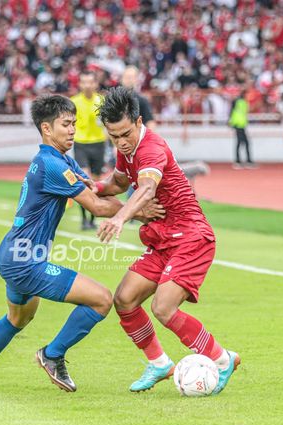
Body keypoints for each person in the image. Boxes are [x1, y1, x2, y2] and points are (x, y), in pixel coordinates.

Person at [0, 95, 160, 392]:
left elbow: (95, 191)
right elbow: (97, 206)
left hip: (14, 254)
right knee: (102, 299)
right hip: (25, 260)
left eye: (74, 123)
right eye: (66, 124)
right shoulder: (52, 164)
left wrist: (128, 186)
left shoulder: (59, 160)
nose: (72, 130)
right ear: (46, 129)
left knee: (18, 317)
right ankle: (52, 355)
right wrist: (141, 212)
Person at [90, 87, 240, 394]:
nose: (121, 142)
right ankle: (158, 363)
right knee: (125, 300)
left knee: (163, 307)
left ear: (139, 120)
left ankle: (223, 360)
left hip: (190, 237)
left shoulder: (151, 148)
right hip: (161, 239)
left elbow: (145, 188)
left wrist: (120, 217)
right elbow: (119, 181)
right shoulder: (126, 149)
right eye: (113, 136)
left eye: (125, 134)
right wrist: (92, 187)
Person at [71, 70, 107, 230]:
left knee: (96, 182)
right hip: (81, 144)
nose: (87, 85)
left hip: (98, 144)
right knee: (85, 180)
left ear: (95, 84)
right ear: (80, 84)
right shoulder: (74, 102)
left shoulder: (102, 101)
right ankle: (84, 219)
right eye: (84, 82)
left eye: (90, 82)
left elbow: (108, 123)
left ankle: (92, 218)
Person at [120, 65, 157, 130]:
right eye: (126, 77)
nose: (128, 80)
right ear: (121, 79)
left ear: (136, 79)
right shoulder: (114, 99)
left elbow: (150, 123)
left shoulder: (142, 100)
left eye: (131, 77)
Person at [229, 89, 254, 169]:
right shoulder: (240, 102)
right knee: (242, 143)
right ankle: (240, 161)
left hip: (240, 125)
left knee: (243, 143)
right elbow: (233, 112)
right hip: (238, 124)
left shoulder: (242, 102)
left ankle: (242, 161)